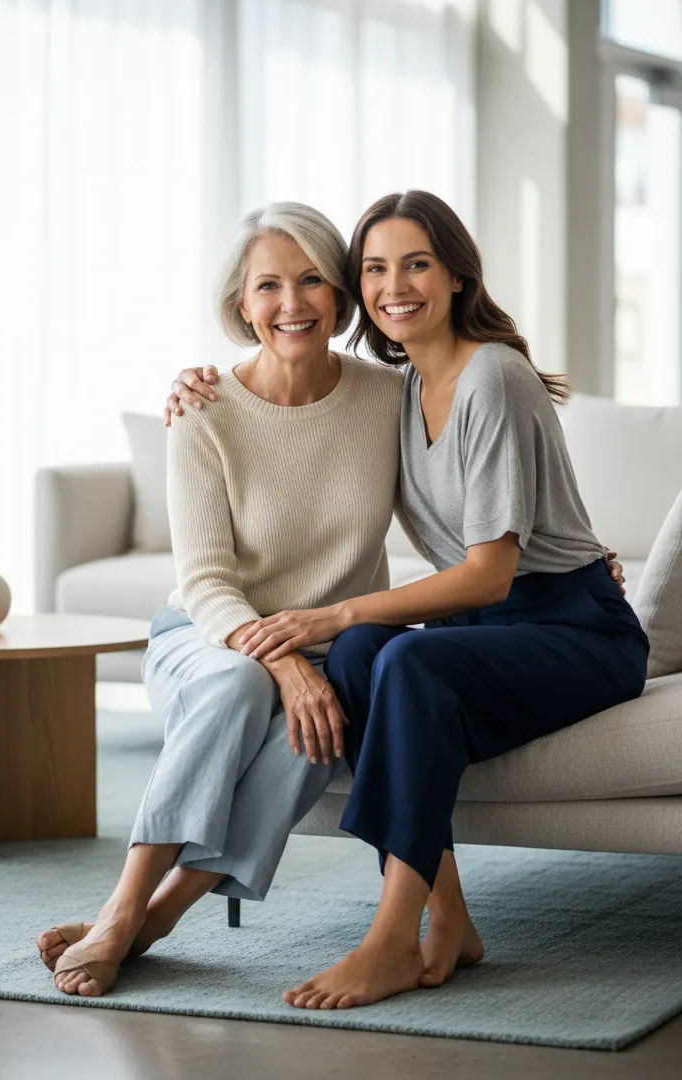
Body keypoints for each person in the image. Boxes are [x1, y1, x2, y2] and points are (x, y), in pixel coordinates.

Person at [166, 189, 644, 1010]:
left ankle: (392, 937)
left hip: (575, 627)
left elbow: (495, 573)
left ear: (457, 275)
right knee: (359, 658)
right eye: (377, 268)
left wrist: (338, 611)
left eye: (417, 263)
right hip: (492, 626)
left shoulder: (491, 375)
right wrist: (195, 385)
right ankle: (450, 919)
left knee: (395, 653)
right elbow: (291, 403)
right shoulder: (394, 390)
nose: (396, 285)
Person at [37, 201, 414, 997]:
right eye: (268, 285)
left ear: (340, 294)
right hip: (207, 639)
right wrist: (283, 664)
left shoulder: (388, 399)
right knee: (250, 682)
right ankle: (122, 907)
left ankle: (158, 918)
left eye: (312, 280)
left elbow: (455, 516)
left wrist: (555, 566)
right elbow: (207, 580)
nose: (292, 303)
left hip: (330, 646)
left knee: (327, 714)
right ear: (241, 304)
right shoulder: (204, 408)